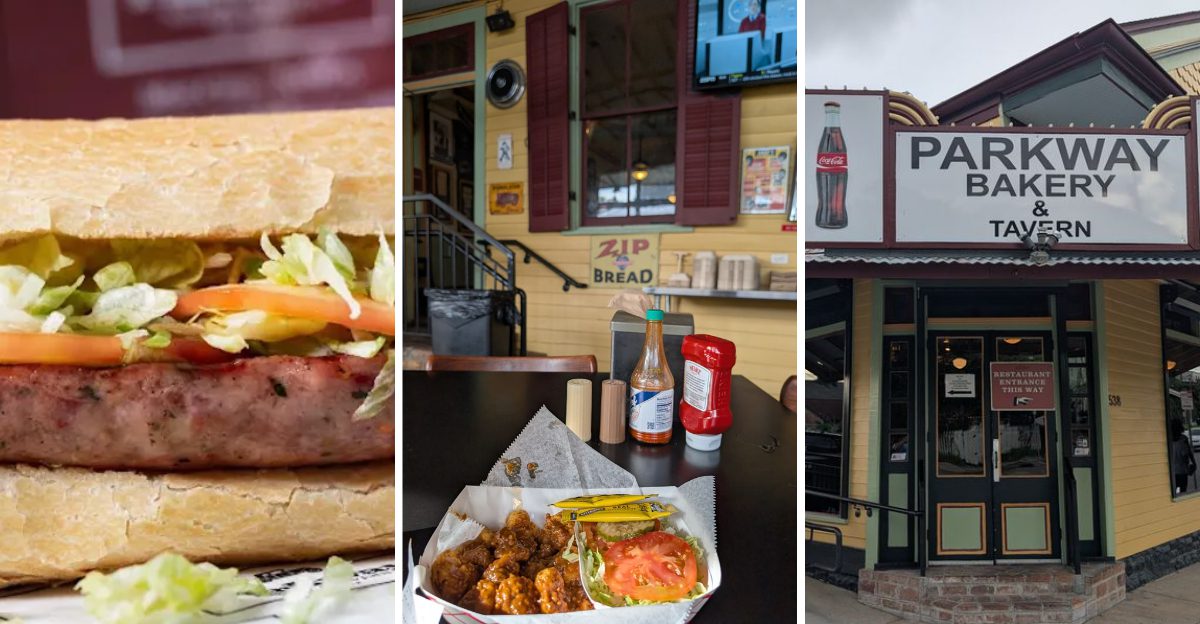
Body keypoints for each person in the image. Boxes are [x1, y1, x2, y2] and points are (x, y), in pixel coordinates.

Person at [1171, 420, 1196, 493]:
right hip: (1182, 471)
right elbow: (1186, 453)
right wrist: (1193, 463)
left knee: (1174, 491)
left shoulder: (1168, 438)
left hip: (1173, 471)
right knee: (1183, 490)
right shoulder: (1183, 439)